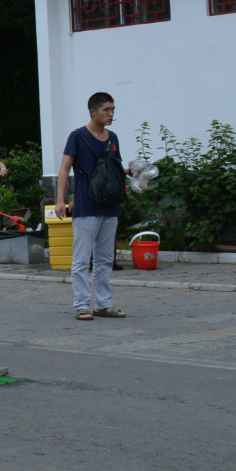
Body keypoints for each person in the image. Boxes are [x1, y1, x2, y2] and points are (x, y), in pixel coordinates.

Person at [55, 91, 141, 321]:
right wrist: (61, 200)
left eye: (113, 110)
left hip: (109, 206)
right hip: (86, 206)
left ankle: (103, 304)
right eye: (106, 110)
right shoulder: (77, 136)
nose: (111, 114)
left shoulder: (113, 138)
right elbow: (65, 169)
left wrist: (129, 176)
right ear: (93, 112)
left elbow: (112, 169)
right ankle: (82, 304)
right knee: (82, 259)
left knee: (104, 258)